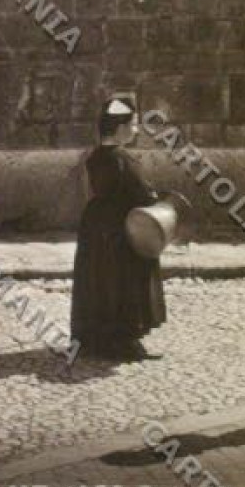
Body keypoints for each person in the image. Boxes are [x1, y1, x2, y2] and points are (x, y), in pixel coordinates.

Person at [70, 97, 167, 361]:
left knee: (100, 282)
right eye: (133, 125)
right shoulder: (123, 159)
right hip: (122, 228)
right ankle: (126, 342)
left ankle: (96, 339)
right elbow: (142, 195)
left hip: (96, 226)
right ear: (121, 128)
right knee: (128, 280)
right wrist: (156, 197)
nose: (135, 130)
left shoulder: (96, 156)